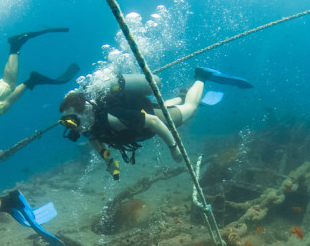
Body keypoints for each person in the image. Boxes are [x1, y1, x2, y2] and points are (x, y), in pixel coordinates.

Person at [59, 67, 253, 179]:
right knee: (161, 108)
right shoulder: (86, 124)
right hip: (141, 117)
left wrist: (174, 147)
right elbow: (95, 139)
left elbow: (152, 121)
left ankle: (202, 76)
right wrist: (110, 162)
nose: (71, 126)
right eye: (67, 122)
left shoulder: (112, 115)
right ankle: (179, 97)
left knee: (191, 109)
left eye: (72, 119)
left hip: (153, 119)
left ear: (84, 110)